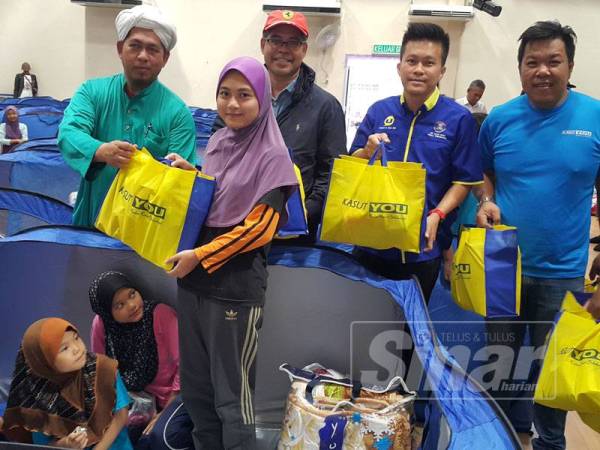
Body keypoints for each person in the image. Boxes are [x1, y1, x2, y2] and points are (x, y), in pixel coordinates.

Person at [475, 20, 600, 450]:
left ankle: (549, 443)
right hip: (503, 265)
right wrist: (486, 201)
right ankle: (497, 440)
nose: (543, 71)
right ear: (520, 68)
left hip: (564, 271)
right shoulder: (500, 119)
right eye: (533, 63)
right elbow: (485, 174)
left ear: (569, 65)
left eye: (553, 61)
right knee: (501, 364)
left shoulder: (594, 116)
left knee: (553, 370)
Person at [165, 56, 298, 449]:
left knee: (231, 399)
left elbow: (258, 229)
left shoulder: (274, 157)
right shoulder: (220, 141)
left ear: (262, 100)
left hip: (234, 291)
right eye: (224, 94)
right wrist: (190, 174)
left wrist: (200, 255)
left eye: (244, 95)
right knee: (197, 393)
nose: (232, 104)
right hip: (193, 286)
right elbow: (218, 194)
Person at [350, 22, 483, 302]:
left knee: (408, 332)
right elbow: (351, 163)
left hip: (423, 247)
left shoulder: (458, 119)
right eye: (411, 61)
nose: (419, 69)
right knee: (361, 324)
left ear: (442, 71)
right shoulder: (379, 111)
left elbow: (464, 181)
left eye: (429, 62)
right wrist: (366, 151)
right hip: (370, 240)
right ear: (400, 67)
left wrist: (438, 214)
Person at [58, 4, 196, 228]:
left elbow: (180, 182)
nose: (143, 56)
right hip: (90, 227)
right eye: (135, 46)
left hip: (146, 235)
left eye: (153, 49)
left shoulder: (177, 113)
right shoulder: (92, 92)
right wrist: (101, 151)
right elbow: (68, 133)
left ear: (165, 58)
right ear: (120, 49)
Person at [241, 9, 344, 238]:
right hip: (240, 229)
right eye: (275, 40)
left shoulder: (326, 107)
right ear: (262, 45)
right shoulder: (239, 98)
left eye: (293, 42)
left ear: (304, 49)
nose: (283, 49)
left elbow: (332, 176)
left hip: (294, 238)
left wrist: (303, 215)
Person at [88, 271, 189, 447]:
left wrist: (162, 414)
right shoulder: (102, 325)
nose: (132, 305)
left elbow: (186, 365)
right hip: (134, 402)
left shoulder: (160, 315)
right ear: (107, 313)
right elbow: (103, 373)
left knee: (159, 439)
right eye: (120, 305)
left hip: (176, 396)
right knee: (115, 437)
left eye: (132, 294)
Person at [2, 318, 132, 449]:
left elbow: (121, 415)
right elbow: (45, 446)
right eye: (64, 348)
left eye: (76, 338)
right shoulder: (36, 396)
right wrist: (67, 444)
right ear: (44, 361)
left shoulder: (105, 369)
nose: (77, 348)